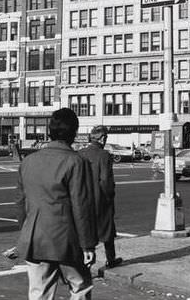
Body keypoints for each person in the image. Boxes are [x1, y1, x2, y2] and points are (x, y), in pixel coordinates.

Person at [15, 108, 97, 299]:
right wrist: (87, 245)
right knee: (80, 286)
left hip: (34, 238)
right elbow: (81, 206)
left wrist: (26, 231)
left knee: (39, 292)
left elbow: (20, 202)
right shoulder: (76, 161)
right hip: (66, 240)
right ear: (74, 133)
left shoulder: (28, 161)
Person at [78, 126, 123, 272]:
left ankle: (85, 264)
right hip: (100, 199)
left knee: (86, 230)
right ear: (102, 138)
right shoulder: (104, 155)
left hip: (83, 198)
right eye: (106, 138)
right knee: (107, 230)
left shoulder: (80, 153)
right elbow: (106, 181)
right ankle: (111, 259)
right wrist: (110, 195)